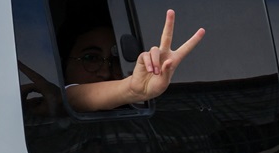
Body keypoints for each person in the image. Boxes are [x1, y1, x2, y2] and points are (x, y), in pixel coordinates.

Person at [61, 9, 204, 113]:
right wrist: (131, 88)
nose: (105, 72)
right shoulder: (55, 100)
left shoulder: (139, 117)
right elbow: (71, 98)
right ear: (64, 62)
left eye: (115, 60)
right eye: (91, 58)